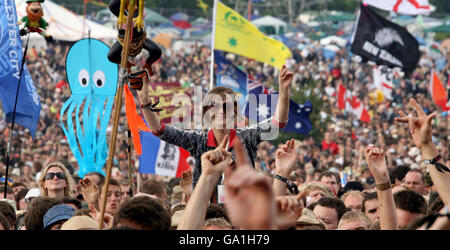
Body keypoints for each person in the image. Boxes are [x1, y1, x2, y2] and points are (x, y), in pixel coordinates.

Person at [137, 65, 293, 188]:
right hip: (207, 215)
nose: (221, 111)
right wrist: (144, 102)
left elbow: (277, 123)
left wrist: (284, 91)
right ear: (206, 112)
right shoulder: (198, 141)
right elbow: (160, 130)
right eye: (215, 106)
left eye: (227, 106)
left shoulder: (246, 136)